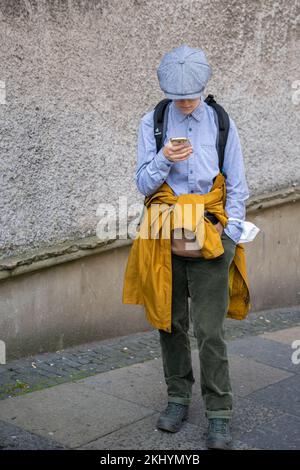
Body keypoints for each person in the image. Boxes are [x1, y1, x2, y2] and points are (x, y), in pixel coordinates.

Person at [134, 44, 250, 450]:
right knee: (169, 323)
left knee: (210, 331)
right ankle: (178, 398)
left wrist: (231, 234)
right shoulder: (152, 123)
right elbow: (144, 185)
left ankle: (219, 413)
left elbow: (237, 184)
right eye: (177, 95)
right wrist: (164, 158)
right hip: (164, 235)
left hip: (212, 237)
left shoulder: (220, 121)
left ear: (203, 87)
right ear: (166, 90)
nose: (185, 102)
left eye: (191, 94)